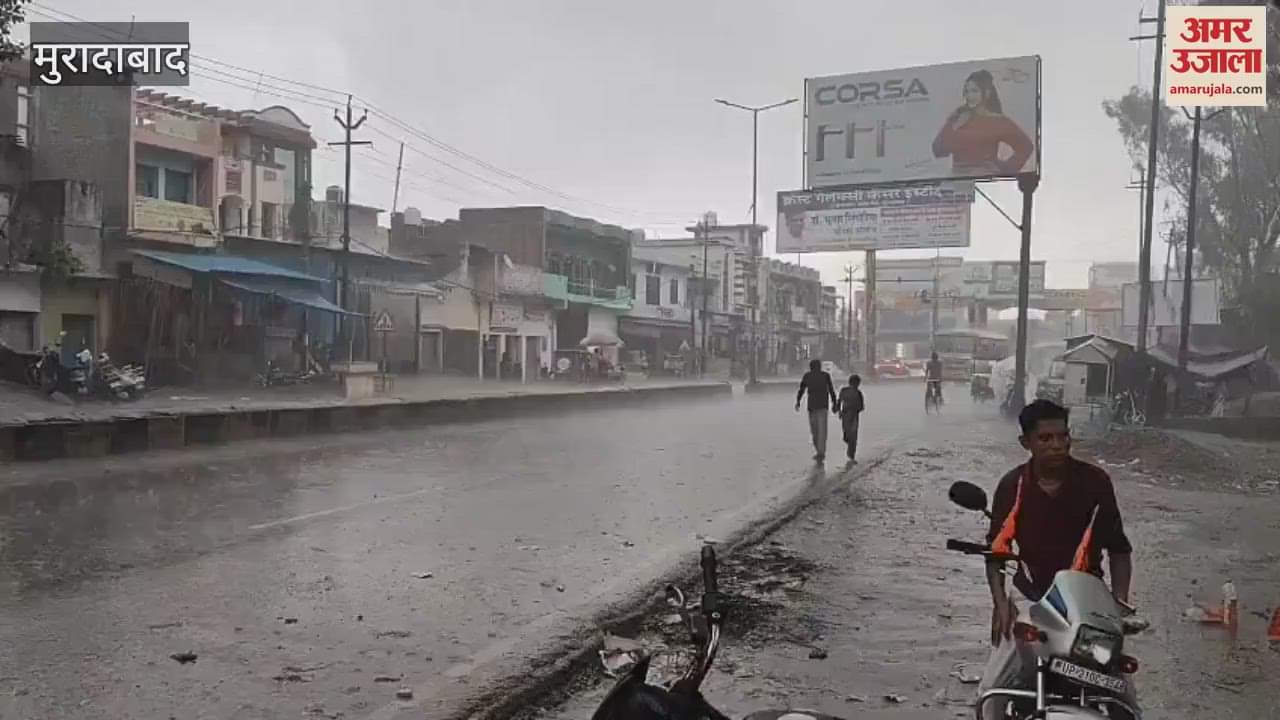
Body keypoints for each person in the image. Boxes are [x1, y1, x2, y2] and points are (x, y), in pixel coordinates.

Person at [980, 399, 1136, 717]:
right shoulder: (1012, 485)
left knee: (1124, 700)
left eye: (1063, 436)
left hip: (1086, 604)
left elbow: (1119, 549)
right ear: (1025, 442)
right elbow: (995, 554)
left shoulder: (1095, 482)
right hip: (1032, 601)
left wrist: (1119, 605)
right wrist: (1000, 603)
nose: (1057, 445)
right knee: (990, 694)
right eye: (1045, 438)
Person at [931, 69, 1034, 177]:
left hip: (986, 178)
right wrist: (954, 127)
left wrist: (1005, 170)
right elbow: (938, 150)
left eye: (974, 91)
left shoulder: (998, 121)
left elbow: (1026, 147)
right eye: (967, 91)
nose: (970, 96)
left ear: (987, 93)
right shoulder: (958, 116)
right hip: (958, 178)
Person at [795, 359, 838, 462]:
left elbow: (801, 390)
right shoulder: (821, 376)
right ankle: (820, 451)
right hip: (820, 406)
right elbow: (831, 390)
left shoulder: (811, 376)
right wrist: (834, 403)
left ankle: (820, 452)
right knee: (821, 431)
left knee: (815, 431)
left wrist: (798, 401)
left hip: (814, 407)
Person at [837, 374, 865, 462]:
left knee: (849, 434)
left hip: (847, 415)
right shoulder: (858, 393)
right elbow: (861, 407)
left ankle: (851, 454)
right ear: (858, 383)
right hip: (852, 416)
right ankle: (851, 454)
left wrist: (839, 410)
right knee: (852, 436)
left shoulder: (844, 390)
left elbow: (839, 401)